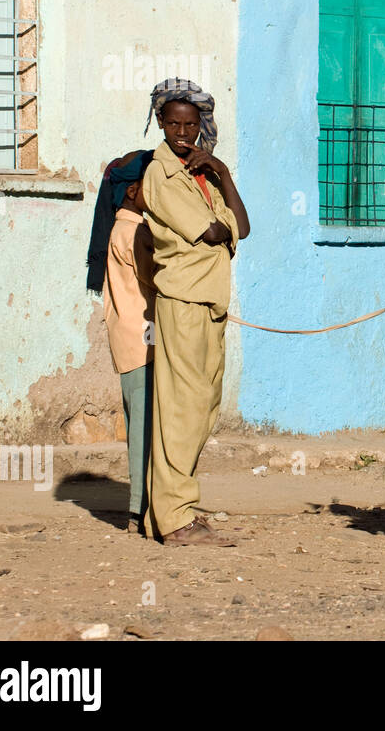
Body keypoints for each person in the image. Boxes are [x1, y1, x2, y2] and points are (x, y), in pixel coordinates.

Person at [139, 78, 250, 546]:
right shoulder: (160, 174)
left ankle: (166, 512)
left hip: (209, 303)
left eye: (192, 125)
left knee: (202, 410)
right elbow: (210, 233)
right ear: (161, 124)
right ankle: (175, 518)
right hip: (183, 302)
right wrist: (221, 228)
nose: (183, 133)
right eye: (174, 124)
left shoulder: (203, 175)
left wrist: (223, 172)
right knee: (181, 411)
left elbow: (240, 226)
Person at [102, 149, 156, 534]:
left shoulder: (117, 228)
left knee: (137, 422)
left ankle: (141, 506)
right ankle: (139, 509)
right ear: (136, 189)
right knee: (144, 428)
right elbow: (156, 281)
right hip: (143, 340)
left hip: (126, 338)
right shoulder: (136, 231)